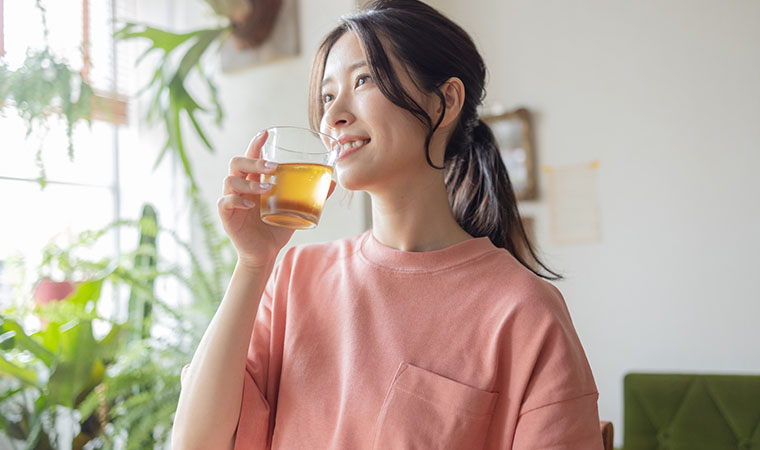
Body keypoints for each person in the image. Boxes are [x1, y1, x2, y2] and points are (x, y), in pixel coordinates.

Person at [171, 1, 603, 449]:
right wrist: (253, 264)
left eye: (363, 80)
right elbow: (195, 443)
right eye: (325, 95)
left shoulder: (524, 312)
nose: (332, 116)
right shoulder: (292, 278)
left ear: (445, 100)